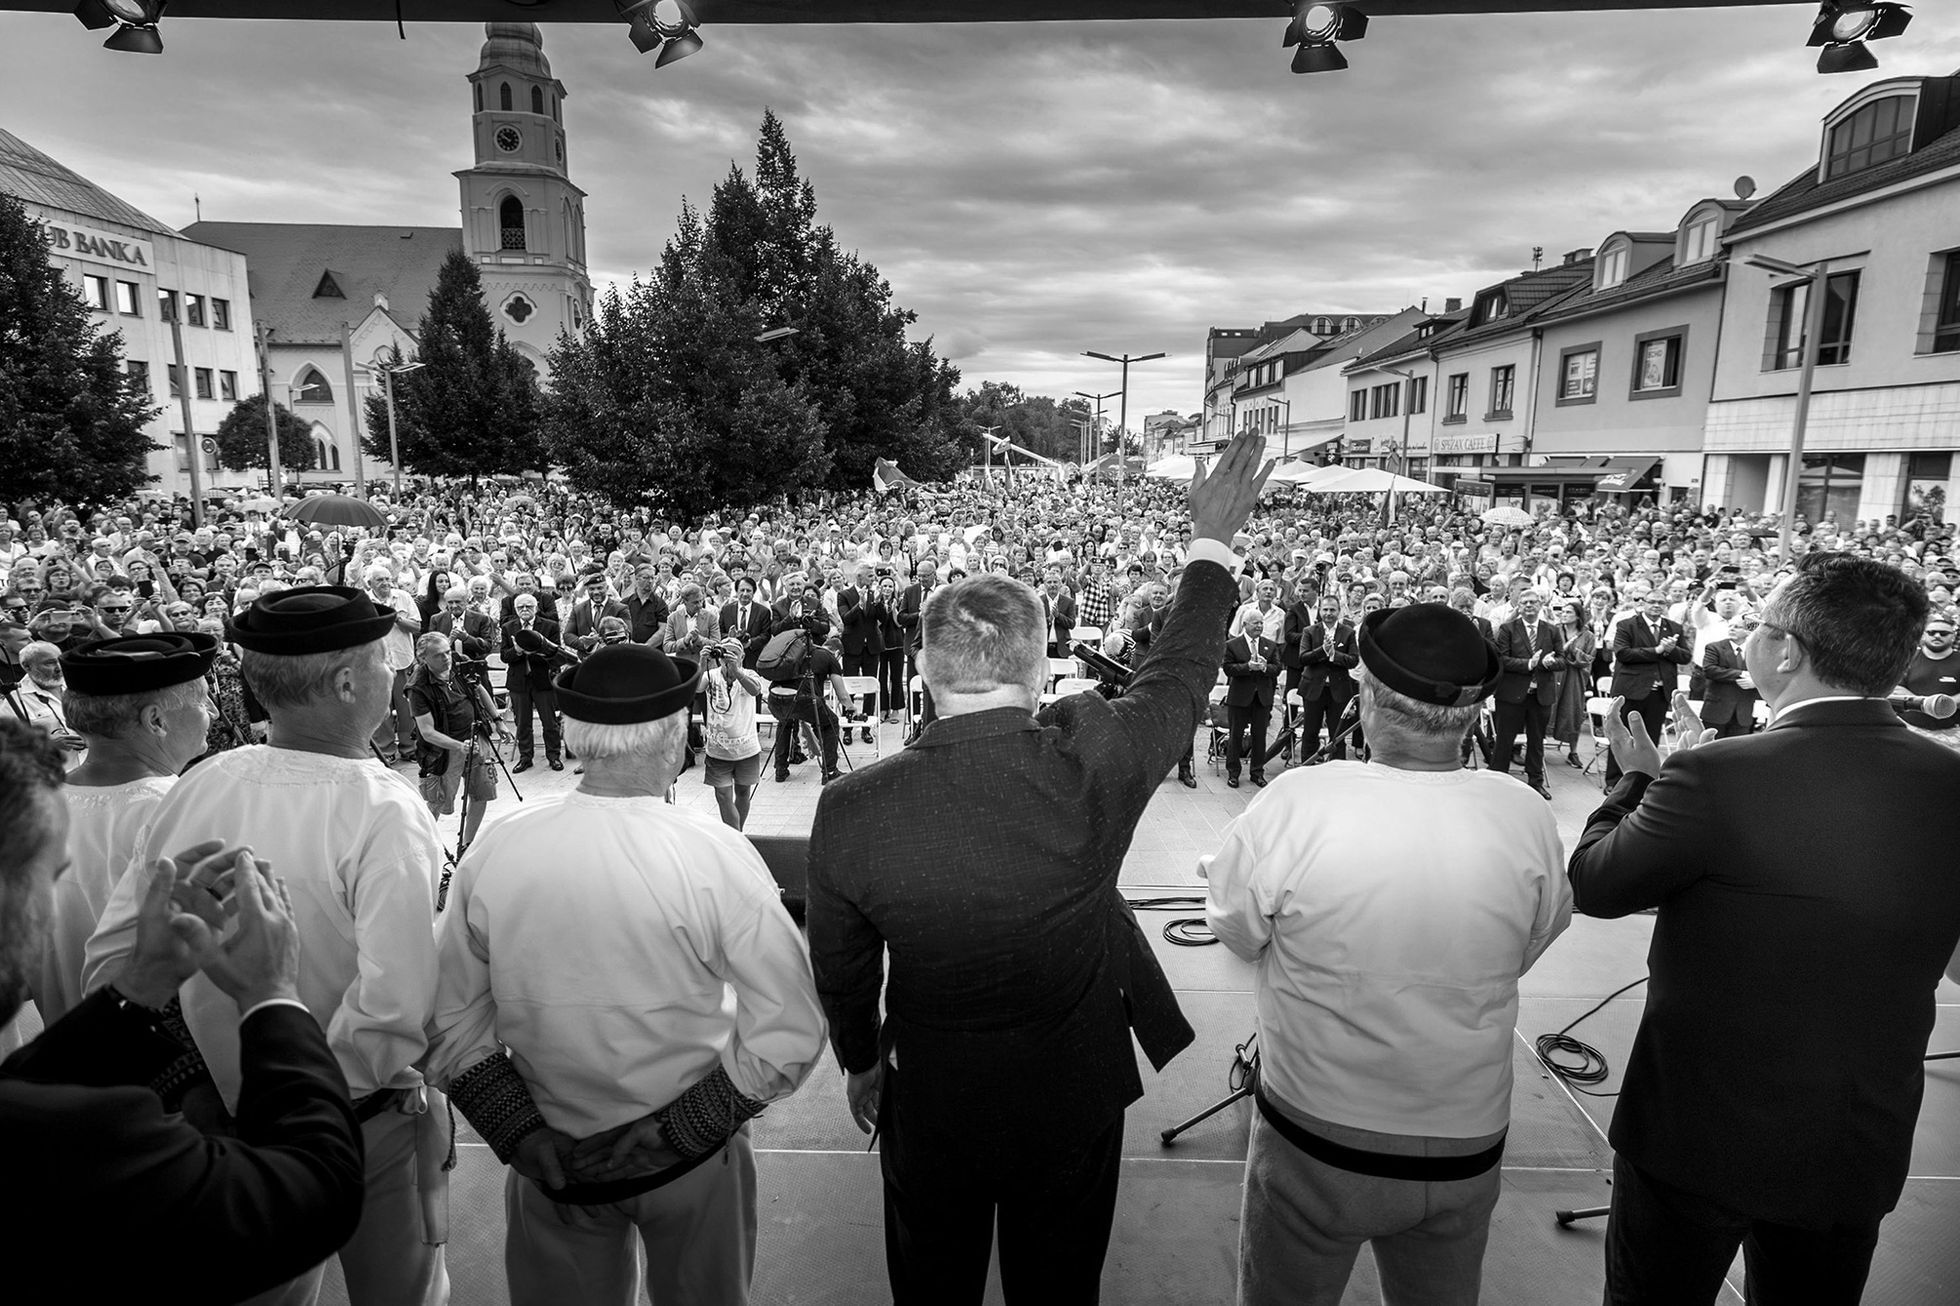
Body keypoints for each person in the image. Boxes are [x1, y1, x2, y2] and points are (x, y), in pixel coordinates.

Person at [804, 431, 1272, 1306]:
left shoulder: (854, 807)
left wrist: (861, 1060)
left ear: (922, 665)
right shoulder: (1098, 759)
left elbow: (841, 964)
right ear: (1037, 662)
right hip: (1070, 1091)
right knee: (1057, 1285)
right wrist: (1213, 544)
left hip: (933, 1094)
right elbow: (1179, 670)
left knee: (931, 1278)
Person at [1568, 555, 1960, 1305]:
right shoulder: (1949, 783)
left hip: (1696, 1133)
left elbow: (1598, 883)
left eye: (1759, 622)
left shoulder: (1717, 776)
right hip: (1854, 1135)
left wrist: (1640, 779)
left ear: (1785, 652)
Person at [425, 642, 827, 1306]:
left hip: (550, 1152)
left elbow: (447, 1014)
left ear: (574, 737)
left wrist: (516, 1130)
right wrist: (681, 1129)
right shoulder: (714, 854)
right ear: (675, 739)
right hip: (693, 1162)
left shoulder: (499, 845)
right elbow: (790, 1029)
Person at [83, 585, 450, 1306]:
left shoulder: (200, 785)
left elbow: (116, 960)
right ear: (348, 682)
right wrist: (304, 1100)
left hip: (223, 1123)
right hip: (355, 1124)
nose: (392, 672)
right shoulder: (383, 808)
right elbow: (397, 1005)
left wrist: (215, 1084)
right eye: (383, 660)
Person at [1203, 603, 1571, 1306]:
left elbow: (1236, 929)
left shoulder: (1298, 800)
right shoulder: (1524, 813)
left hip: (1317, 1138)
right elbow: (1532, 942)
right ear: (1472, 716)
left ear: (1367, 699)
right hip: (1468, 1139)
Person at [0, 720, 364, 1302]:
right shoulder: (83, 1136)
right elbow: (316, 1191)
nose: (52, 913)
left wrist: (141, 984)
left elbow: (23, 1083)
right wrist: (270, 995)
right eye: (51, 880)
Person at [36, 634, 215, 1030]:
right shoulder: (177, 809)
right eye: (202, 702)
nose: (214, 713)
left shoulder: (36, 804)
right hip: (152, 1057)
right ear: (156, 720)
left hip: (60, 1047)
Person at [406, 630, 508, 854]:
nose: (447, 658)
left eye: (447, 652)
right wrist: (458, 746)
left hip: (476, 737)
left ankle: (466, 845)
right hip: (443, 751)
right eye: (439, 655)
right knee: (437, 803)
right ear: (423, 659)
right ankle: (425, 850)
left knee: (482, 793)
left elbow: (478, 689)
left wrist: (498, 720)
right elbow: (427, 731)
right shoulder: (418, 688)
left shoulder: (459, 664)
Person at [1605, 589, 1690, 785]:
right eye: (1652, 601)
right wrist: (1657, 650)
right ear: (1643, 603)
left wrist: (1671, 650)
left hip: (1659, 693)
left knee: (1649, 739)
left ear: (1666, 606)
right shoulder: (1627, 625)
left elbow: (1685, 656)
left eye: (1661, 602)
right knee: (1622, 736)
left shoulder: (1674, 627)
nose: (1656, 605)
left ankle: (1643, 781)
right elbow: (1624, 653)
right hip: (1631, 690)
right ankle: (1614, 781)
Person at [1490, 588, 1561, 799]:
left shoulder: (1552, 630)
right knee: (1505, 739)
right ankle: (1496, 781)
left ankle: (1535, 782)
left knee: (1536, 740)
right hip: (1512, 695)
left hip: (1541, 695)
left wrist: (1551, 663)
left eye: (1533, 602)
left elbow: (1563, 660)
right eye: (1524, 603)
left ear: (1540, 605)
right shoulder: (1507, 629)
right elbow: (1502, 659)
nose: (1529, 606)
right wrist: (1529, 664)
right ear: (1518, 607)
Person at [703, 635, 765, 829]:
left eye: (734, 653)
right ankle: (736, 837)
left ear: (742, 656)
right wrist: (700, 662)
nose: (728, 657)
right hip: (717, 748)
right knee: (722, 794)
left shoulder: (749, 673)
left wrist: (736, 670)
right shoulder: (711, 675)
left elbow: (755, 690)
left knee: (743, 791)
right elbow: (695, 688)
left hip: (746, 747)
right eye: (725, 653)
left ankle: (736, 834)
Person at [502, 593, 567, 773]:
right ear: (515, 610)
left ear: (536, 608)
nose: (524, 610)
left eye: (528, 607)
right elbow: (504, 656)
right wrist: (517, 651)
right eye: (520, 607)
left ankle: (553, 757)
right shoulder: (508, 627)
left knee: (549, 722)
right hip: (519, 682)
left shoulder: (550, 626)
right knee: (523, 723)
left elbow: (556, 654)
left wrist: (536, 650)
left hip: (542, 680)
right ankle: (525, 758)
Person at [1221, 606, 1282, 789]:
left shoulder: (1270, 645)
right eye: (1256, 623)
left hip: (1262, 698)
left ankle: (1257, 772)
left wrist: (1264, 668)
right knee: (1236, 736)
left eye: (1262, 623)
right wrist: (1248, 667)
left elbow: (1277, 669)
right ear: (1245, 624)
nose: (1259, 626)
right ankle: (1233, 773)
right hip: (1240, 698)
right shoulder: (1232, 645)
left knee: (1260, 736)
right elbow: (1228, 669)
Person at [1294, 595, 1358, 762]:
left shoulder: (1348, 632)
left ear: (1339, 611)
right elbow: (1303, 658)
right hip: (1314, 689)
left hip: (1338, 690)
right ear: (1320, 610)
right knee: (1310, 731)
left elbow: (1353, 660)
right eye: (1325, 609)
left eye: (1332, 610)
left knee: (1337, 734)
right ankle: (1307, 766)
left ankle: (1337, 767)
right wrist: (1322, 651)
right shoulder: (1309, 631)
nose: (1328, 613)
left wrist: (1334, 655)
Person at [1895, 608, 1957, 744]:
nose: (1937, 636)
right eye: (1932, 632)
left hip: (1952, 734)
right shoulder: (1908, 657)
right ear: (1924, 635)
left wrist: (1943, 705)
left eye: (1943, 633)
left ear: (1953, 636)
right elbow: (1897, 688)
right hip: (1910, 729)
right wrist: (1924, 704)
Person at [1697, 615, 1760, 740]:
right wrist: (1740, 674)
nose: (1732, 629)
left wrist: (1755, 682)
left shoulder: (1757, 651)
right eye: (1730, 626)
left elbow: (1767, 673)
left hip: (1743, 712)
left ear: (1748, 631)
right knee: (1711, 751)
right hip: (1717, 710)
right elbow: (1709, 670)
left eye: (1737, 627)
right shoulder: (1715, 647)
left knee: (1737, 753)